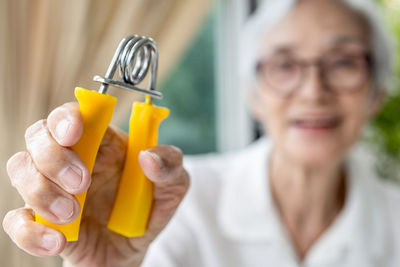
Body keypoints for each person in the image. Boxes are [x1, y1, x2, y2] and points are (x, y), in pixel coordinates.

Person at [3, 0, 400, 266]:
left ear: (378, 91)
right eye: (284, 65)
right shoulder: (173, 208)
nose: (314, 90)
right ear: (252, 95)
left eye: (343, 63)